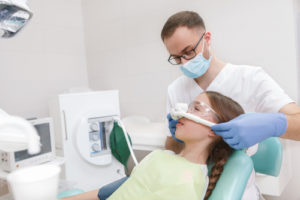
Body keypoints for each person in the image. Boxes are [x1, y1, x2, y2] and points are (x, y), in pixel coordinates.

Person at [78, 10, 300, 200]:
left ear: (207, 39)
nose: (184, 62)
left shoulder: (250, 79)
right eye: (176, 58)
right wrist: (177, 138)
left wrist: (275, 125)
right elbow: (173, 150)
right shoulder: (176, 89)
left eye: (188, 52)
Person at [61, 91, 245, 200]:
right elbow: (122, 189)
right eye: (188, 107)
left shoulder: (187, 180)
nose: (182, 113)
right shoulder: (163, 157)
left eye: (195, 109)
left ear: (215, 130)